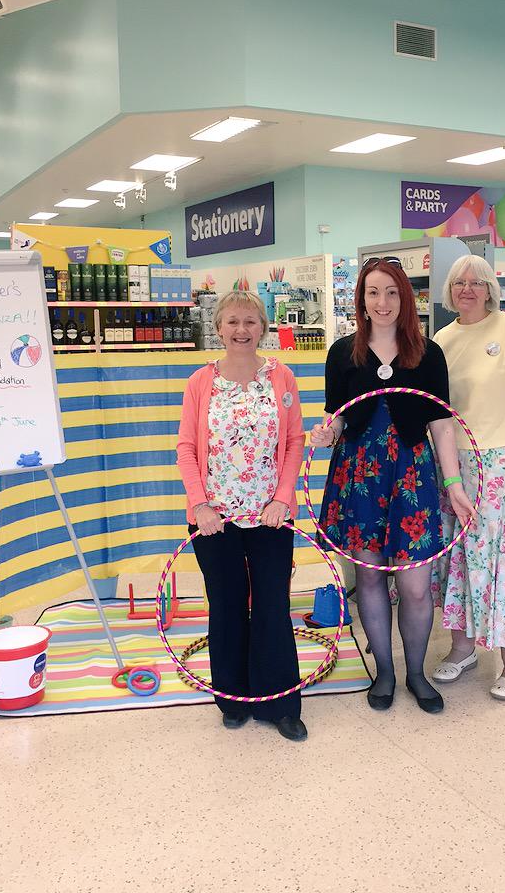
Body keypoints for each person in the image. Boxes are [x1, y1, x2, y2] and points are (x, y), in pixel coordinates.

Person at [311, 256, 475, 714]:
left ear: (405, 298)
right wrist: (327, 433)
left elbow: (442, 425)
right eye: (373, 292)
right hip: (360, 475)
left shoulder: (428, 354)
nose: (382, 302)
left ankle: (415, 672)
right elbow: (338, 417)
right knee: (369, 577)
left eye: (391, 292)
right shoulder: (342, 353)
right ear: (361, 299)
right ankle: (384, 671)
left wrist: (454, 484)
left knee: (416, 585)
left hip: (411, 475)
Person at [177, 290, 308, 741]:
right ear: (218, 328)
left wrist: (283, 498)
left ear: (263, 327)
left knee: (273, 605)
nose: (241, 330)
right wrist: (200, 505)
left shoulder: (281, 376)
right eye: (232, 321)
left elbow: (294, 442)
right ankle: (232, 699)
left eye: (250, 321)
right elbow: (187, 448)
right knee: (227, 606)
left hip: (271, 515)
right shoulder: (200, 382)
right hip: (214, 519)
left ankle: (281, 704)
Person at [430, 254, 505, 701]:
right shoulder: (441, 340)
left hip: (503, 461)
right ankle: (462, 648)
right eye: (459, 282)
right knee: (460, 555)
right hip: (453, 464)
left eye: (477, 282)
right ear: (449, 290)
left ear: (490, 289)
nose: (467, 289)